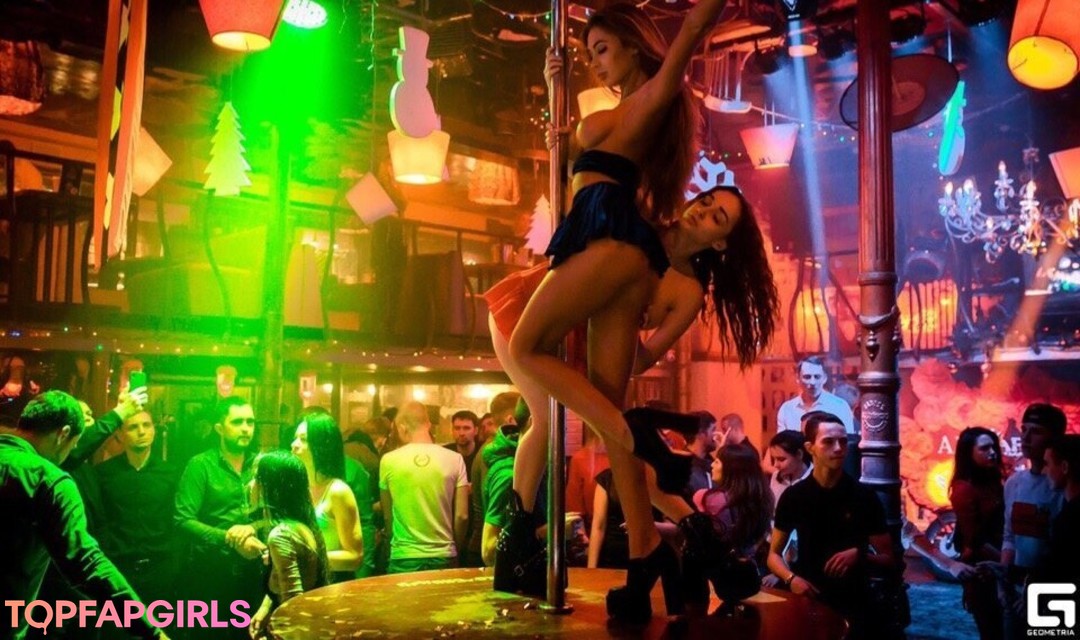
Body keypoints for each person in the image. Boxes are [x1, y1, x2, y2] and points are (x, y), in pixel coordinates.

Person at [488, 1, 780, 620]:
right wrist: (556, 88)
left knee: (530, 351)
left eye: (601, 48)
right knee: (604, 406)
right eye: (590, 51)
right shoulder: (633, 117)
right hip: (622, 252)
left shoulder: (651, 97)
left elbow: (692, 31)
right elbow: (577, 165)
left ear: (632, 46)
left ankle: (635, 437)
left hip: (610, 243)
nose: (595, 61)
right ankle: (646, 553)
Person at [0, 391, 165, 640]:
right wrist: (151, 631)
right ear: (63, 434)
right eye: (75, 443)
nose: (73, 452)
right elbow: (87, 564)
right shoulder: (49, 479)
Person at [767, 412, 898, 639]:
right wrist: (791, 579)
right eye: (828, 441)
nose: (838, 448)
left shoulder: (862, 496)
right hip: (809, 595)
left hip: (854, 600)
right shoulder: (795, 496)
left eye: (843, 442)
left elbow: (889, 558)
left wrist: (859, 555)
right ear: (810, 448)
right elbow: (773, 555)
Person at [174, 397, 265, 639]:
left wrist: (251, 529)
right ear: (219, 428)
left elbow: (276, 513)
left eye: (250, 422)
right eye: (237, 422)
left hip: (254, 572)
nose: (245, 428)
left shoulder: (262, 464)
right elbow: (182, 519)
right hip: (211, 573)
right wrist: (229, 538)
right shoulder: (201, 465)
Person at [999, 403, 1066, 637]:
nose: (1025, 438)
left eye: (1035, 431)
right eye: (1024, 429)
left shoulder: (1063, 486)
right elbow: (1010, 537)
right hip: (1016, 588)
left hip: (1054, 590)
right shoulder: (1014, 483)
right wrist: (1003, 581)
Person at [379, 401, 469, 574]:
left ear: (402, 427)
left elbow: (387, 515)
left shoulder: (388, 460)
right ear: (428, 424)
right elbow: (462, 516)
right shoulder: (455, 459)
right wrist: (454, 546)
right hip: (444, 554)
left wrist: (394, 541)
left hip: (404, 555)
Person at [247, 451, 330, 639]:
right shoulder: (301, 525)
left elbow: (294, 606)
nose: (251, 484)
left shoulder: (281, 535)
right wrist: (265, 609)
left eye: (256, 478)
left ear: (272, 487)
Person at [291, 413, 363, 581]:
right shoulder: (296, 486)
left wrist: (304, 559)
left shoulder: (338, 491)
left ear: (322, 446)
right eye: (295, 438)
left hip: (330, 584)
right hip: (300, 582)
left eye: (303, 439)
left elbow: (354, 557)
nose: (294, 444)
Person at [947, 427, 1004, 640]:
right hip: (983, 569)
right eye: (984, 448)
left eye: (993, 447)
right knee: (992, 629)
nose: (992, 452)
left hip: (1000, 562)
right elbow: (975, 538)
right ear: (968, 453)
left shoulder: (992, 481)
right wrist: (1006, 564)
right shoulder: (964, 489)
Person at [693, 443, 773, 560]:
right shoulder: (762, 498)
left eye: (717, 462)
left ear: (730, 468)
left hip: (716, 563)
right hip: (748, 562)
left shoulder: (706, 497)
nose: (712, 465)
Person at [1037, 434, 1080, 583]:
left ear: (1064, 467)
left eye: (1047, 464)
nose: (1043, 471)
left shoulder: (1069, 519)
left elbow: (1057, 574)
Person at [776, 357, 855, 435]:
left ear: (824, 378)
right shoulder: (787, 409)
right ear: (798, 379)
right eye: (807, 377)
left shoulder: (840, 407)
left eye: (817, 377)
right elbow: (782, 442)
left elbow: (849, 440)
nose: (812, 382)